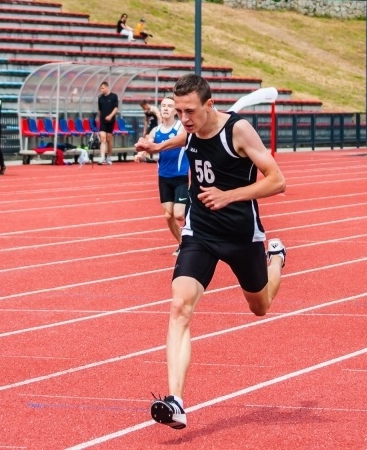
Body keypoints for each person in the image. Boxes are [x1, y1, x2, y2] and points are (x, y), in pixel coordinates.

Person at [136, 73, 287, 430]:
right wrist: (156, 148)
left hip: (240, 234)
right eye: (179, 110)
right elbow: (183, 137)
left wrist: (228, 195)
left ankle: (277, 258)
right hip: (200, 231)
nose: (184, 118)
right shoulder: (191, 127)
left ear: (208, 105)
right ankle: (175, 401)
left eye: (190, 110)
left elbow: (277, 180)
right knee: (179, 306)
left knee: (260, 306)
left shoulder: (238, 131)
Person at [135, 96, 188, 254]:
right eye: (163, 105)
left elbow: (183, 141)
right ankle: (183, 244)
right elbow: (147, 145)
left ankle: (196, 224)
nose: (165, 108)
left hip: (180, 177)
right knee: (168, 215)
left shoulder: (180, 128)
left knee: (179, 214)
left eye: (169, 106)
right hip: (164, 178)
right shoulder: (155, 131)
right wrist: (141, 154)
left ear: (175, 110)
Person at [97, 81, 119, 165]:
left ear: (106, 87)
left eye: (102, 88)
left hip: (111, 121)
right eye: (101, 89)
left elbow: (116, 108)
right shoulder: (100, 98)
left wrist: (110, 116)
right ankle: (102, 157)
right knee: (103, 138)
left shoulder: (114, 96)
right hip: (102, 121)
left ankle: (109, 157)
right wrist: (99, 119)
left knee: (109, 139)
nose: (101, 90)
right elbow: (99, 109)